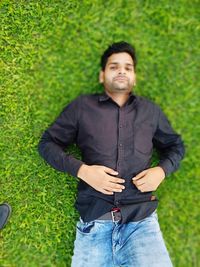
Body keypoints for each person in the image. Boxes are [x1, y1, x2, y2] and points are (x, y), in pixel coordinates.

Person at [38, 41, 185, 267]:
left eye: (128, 67)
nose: (121, 71)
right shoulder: (81, 107)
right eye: (114, 66)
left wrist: (161, 170)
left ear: (134, 77)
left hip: (142, 224)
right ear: (102, 75)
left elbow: (176, 146)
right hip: (94, 224)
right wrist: (83, 170)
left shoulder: (150, 112)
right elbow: (47, 144)